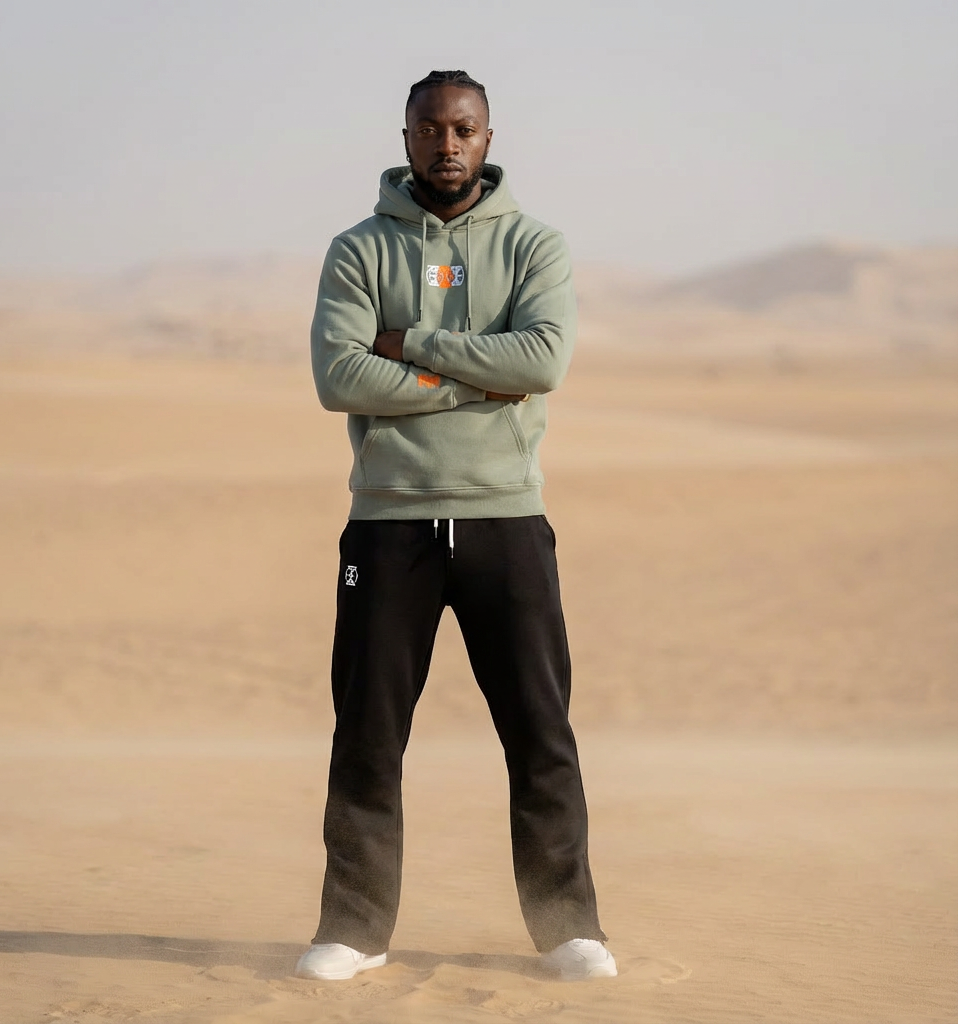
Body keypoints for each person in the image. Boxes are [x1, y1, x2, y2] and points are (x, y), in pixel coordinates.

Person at [296, 69, 615, 983]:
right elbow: (339, 379)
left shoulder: (533, 246)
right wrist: (482, 378)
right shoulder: (360, 250)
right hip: (389, 525)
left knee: (539, 729)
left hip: (505, 520)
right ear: (405, 138)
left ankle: (568, 929)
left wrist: (417, 345)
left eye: (463, 129)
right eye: (431, 129)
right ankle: (353, 930)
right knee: (366, 732)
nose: (447, 145)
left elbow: (543, 359)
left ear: (487, 137)